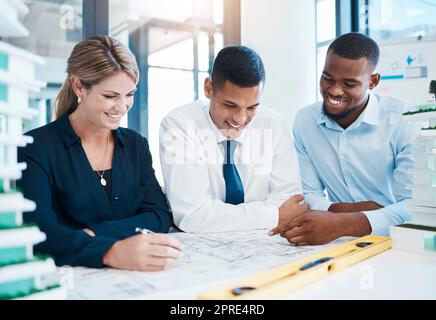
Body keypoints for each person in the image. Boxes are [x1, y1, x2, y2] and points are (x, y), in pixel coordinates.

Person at [18, 35, 181, 271]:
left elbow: (158, 215)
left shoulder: (136, 146)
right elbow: (37, 230)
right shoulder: (35, 147)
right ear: (78, 87)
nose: (123, 106)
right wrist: (109, 252)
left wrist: (95, 233)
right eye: (110, 96)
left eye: (130, 94)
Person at [271, 32, 420, 245]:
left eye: (349, 83)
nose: (334, 90)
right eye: (327, 78)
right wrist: (341, 212)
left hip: (396, 241)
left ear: (373, 81)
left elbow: (415, 206)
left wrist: (344, 223)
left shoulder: (403, 121)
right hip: (335, 242)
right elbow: (307, 192)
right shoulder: (305, 120)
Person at [159, 45, 306, 233]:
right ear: (208, 88)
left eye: (252, 107)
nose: (240, 118)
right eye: (230, 105)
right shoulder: (178, 125)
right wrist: (272, 215)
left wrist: (218, 217)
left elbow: (291, 204)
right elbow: (193, 217)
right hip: (200, 249)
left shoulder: (274, 125)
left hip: (263, 244)